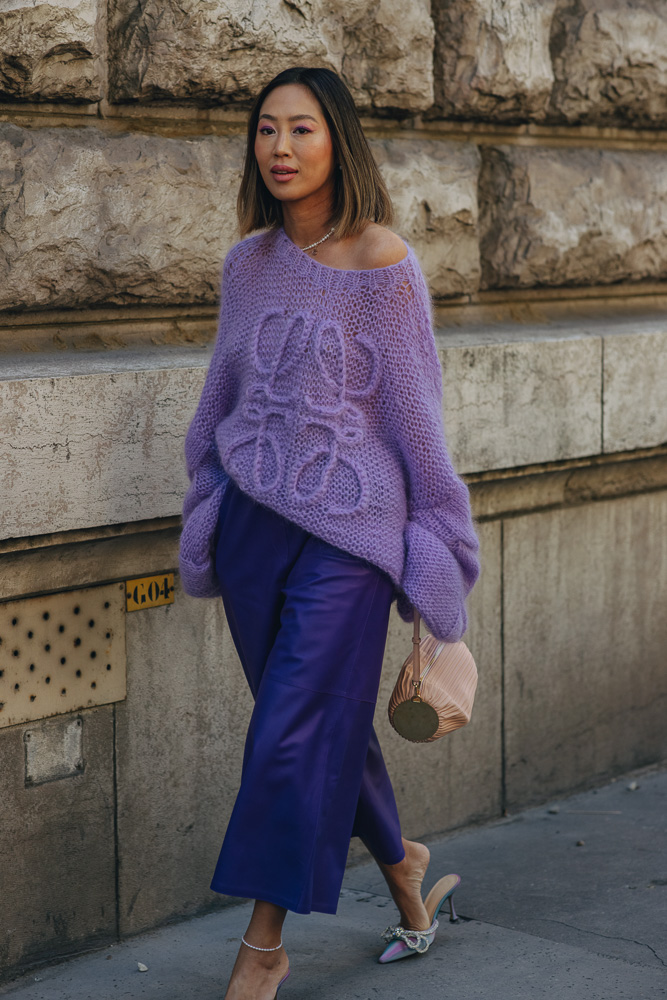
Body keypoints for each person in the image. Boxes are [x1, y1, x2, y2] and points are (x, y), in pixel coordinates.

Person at [178, 65, 481, 1000]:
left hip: (350, 539)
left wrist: (437, 547)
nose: (279, 148)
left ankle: (262, 949)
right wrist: (207, 501)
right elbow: (221, 398)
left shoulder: (386, 266)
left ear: (336, 141)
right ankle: (404, 871)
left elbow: (416, 421)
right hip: (255, 528)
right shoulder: (247, 264)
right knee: (316, 727)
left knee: (288, 733)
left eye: (300, 130)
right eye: (266, 131)